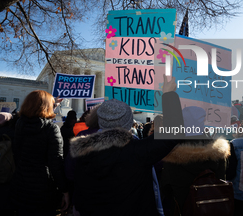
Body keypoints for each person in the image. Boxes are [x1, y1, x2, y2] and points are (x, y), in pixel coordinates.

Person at [67, 75, 183, 216]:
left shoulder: (82, 151)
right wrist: (169, 94)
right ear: (128, 123)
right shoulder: (137, 151)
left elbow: (79, 192)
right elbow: (173, 132)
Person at [160, 106, 231, 215]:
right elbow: (222, 178)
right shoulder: (218, 150)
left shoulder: (172, 150)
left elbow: (165, 186)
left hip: (183, 207)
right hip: (212, 206)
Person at [11, 90, 69, 216]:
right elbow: (56, 163)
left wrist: (53, 104)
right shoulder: (51, 128)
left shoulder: (19, 124)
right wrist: (65, 190)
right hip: (44, 188)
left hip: (21, 184)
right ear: (47, 106)